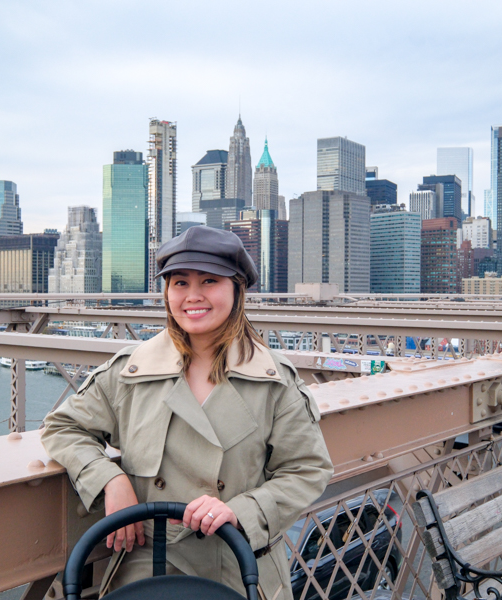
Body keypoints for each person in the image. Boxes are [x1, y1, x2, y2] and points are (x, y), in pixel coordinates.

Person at [42, 226, 333, 599]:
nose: (192, 296)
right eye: (179, 283)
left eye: (209, 281)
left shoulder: (274, 381)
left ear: (237, 288)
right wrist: (108, 480)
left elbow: (308, 469)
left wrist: (242, 511)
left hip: (239, 569)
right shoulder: (130, 372)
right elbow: (64, 427)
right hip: (149, 571)